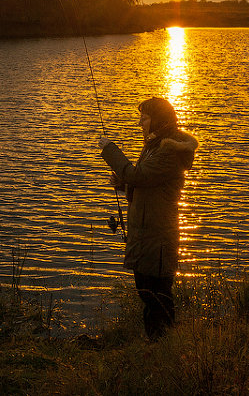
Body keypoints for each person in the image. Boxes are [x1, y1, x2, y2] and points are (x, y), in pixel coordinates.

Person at [98, 96, 197, 340]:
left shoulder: (168, 151)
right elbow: (147, 184)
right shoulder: (155, 145)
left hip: (157, 238)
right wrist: (124, 184)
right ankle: (157, 346)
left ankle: (164, 347)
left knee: (157, 297)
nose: (140, 123)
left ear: (158, 119)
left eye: (144, 118)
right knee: (147, 293)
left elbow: (141, 176)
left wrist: (109, 150)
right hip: (146, 235)